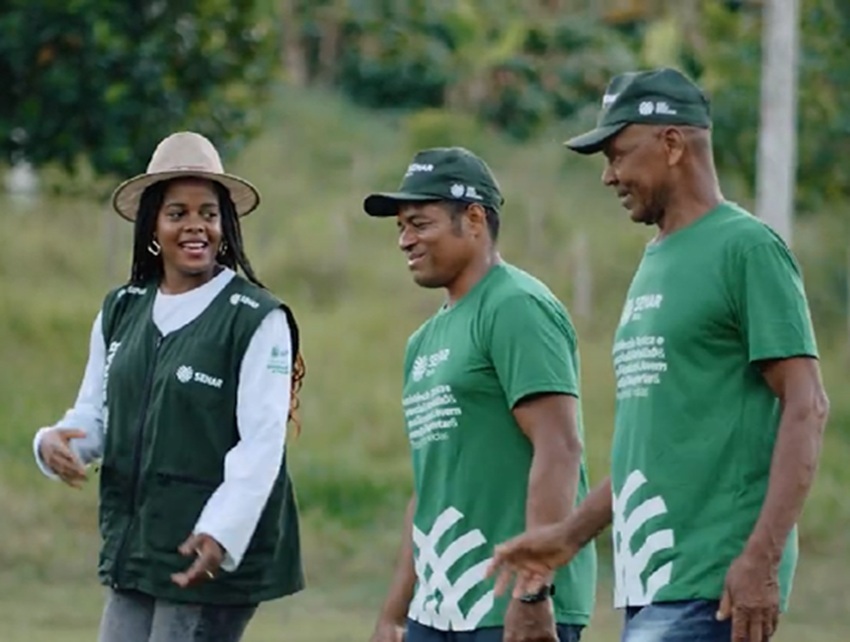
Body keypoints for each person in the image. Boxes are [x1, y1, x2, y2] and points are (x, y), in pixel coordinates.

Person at [487, 68, 830, 642]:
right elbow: (656, 447)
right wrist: (570, 535)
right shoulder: (656, 260)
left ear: (672, 144)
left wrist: (761, 561)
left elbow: (807, 405)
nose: (608, 176)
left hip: (712, 581)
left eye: (618, 154)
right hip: (649, 581)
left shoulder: (746, 248)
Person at [32, 131, 307, 642]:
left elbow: (263, 442)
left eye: (208, 212)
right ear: (153, 226)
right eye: (177, 212)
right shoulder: (122, 309)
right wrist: (55, 443)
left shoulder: (255, 318)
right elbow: (97, 413)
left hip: (205, 552)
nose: (195, 226)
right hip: (136, 546)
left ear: (226, 225)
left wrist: (222, 532)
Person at [363, 146, 597, 642]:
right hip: (438, 608)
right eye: (400, 227)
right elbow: (429, 487)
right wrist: (394, 612)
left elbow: (559, 447)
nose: (405, 240)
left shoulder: (517, 306)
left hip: (508, 610)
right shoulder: (423, 341)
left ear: (473, 219)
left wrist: (532, 593)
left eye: (419, 224)